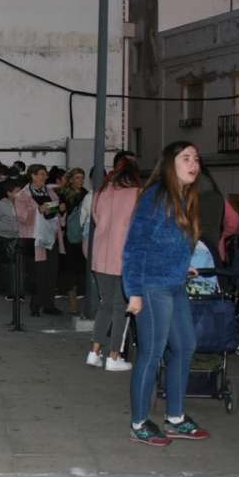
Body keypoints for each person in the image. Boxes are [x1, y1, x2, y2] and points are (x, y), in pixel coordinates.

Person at [123, 140, 210, 447]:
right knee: (152, 353)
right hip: (151, 286)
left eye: (196, 158)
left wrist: (183, 266)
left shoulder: (185, 197)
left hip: (174, 284)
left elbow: (171, 242)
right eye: (186, 158)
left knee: (185, 346)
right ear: (170, 164)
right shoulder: (155, 196)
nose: (194, 164)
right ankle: (139, 423)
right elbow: (135, 247)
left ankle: (175, 418)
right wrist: (133, 292)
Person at [85, 157, 142, 371]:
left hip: (100, 256)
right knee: (121, 308)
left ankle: (94, 353)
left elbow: (96, 218)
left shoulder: (100, 193)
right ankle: (114, 356)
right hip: (124, 257)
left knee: (105, 305)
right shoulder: (137, 194)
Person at [15, 164, 65, 316]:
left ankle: (49, 305)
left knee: (51, 272)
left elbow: (55, 213)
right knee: (37, 274)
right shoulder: (22, 195)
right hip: (34, 239)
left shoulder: (50, 192)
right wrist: (38, 210)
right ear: (33, 175)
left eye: (45, 174)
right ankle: (35, 306)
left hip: (51, 237)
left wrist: (60, 209)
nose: (45, 177)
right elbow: (21, 217)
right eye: (42, 174)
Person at [61, 168, 89, 314]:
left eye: (82, 178)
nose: (81, 180)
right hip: (69, 236)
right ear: (71, 179)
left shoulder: (86, 193)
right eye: (77, 177)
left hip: (82, 235)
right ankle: (73, 300)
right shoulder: (64, 194)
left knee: (80, 268)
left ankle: (79, 296)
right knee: (71, 268)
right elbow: (57, 211)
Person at [0, 179, 24, 300]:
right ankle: (10, 292)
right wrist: (9, 227)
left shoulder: (24, 203)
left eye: (21, 191)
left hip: (20, 238)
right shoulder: (2, 204)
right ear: (9, 193)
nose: (20, 194)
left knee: (20, 267)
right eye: (17, 191)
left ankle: (20, 292)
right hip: (6, 239)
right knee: (8, 267)